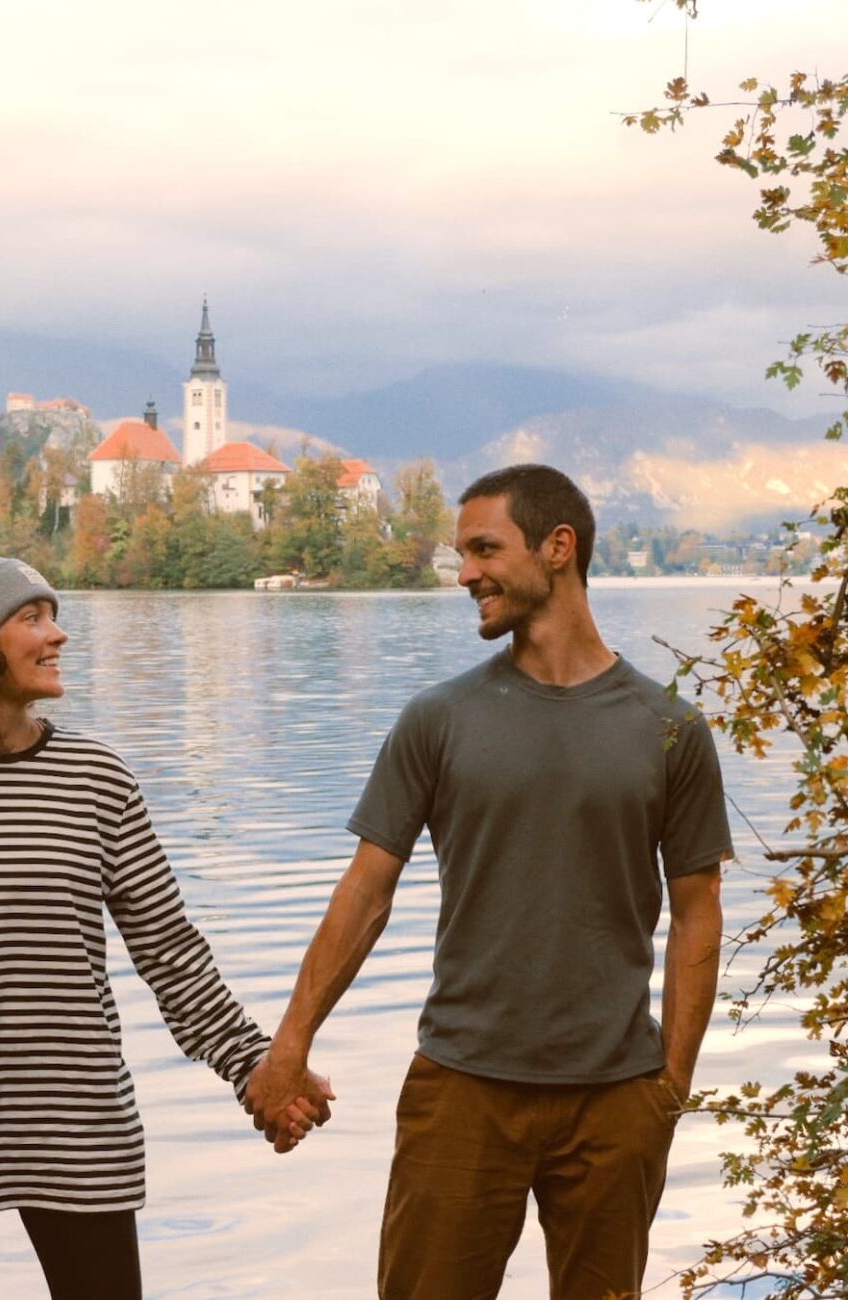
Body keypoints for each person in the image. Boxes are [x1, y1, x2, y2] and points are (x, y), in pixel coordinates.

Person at [245, 465, 732, 1299]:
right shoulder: (438, 720)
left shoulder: (668, 730)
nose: (464, 572)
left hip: (615, 1098)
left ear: (557, 548)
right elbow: (365, 893)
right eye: (460, 553)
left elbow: (698, 917)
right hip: (461, 1091)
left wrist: (669, 1092)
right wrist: (289, 1046)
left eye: (482, 549)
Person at [0, 554, 329, 1300]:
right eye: (32, 618)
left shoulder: (98, 779)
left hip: (81, 1132)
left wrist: (257, 1067)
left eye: (52, 615)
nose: (58, 636)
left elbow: (172, 955)